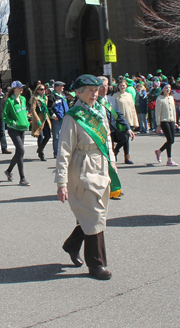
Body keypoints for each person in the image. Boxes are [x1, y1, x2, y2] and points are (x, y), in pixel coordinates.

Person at [55, 75, 119, 281]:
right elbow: (64, 151)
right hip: (82, 168)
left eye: (96, 89)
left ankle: (71, 245)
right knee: (95, 214)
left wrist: (112, 161)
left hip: (100, 165)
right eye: (89, 90)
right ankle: (96, 264)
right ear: (78, 93)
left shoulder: (100, 110)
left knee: (94, 212)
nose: (94, 93)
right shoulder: (73, 116)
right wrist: (61, 182)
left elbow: (107, 137)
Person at [3, 81, 30, 186]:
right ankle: (22, 178)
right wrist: (14, 123)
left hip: (22, 128)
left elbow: (23, 113)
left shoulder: (23, 99)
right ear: (14, 89)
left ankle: (8, 171)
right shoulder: (9, 101)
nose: (21, 89)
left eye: (22, 87)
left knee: (19, 152)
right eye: (19, 87)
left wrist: (27, 119)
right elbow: (5, 117)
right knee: (21, 150)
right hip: (13, 129)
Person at [113, 79, 138, 164]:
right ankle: (115, 151)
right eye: (120, 85)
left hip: (128, 119)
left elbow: (132, 108)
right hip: (119, 120)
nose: (122, 87)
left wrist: (135, 121)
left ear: (126, 86)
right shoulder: (115, 96)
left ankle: (127, 157)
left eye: (123, 85)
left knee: (127, 139)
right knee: (124, 139)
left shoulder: (129, 95)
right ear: (118, 86)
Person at [155, 84, 178, 166]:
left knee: (172, 141)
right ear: (163, 89)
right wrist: (158, 124)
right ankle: (162, 154)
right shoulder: (160, 99)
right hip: (164, 121)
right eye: (166, 88)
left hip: (171, 120)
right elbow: (158, 112)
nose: (168, 89)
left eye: (169, 88)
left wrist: (175, 121)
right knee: (170, 139)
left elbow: (174, 110)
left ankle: (168, 159)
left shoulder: (171, 98)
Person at [30, 84, 52, 161]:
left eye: (44, 89)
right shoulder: (35, 98)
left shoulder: (45, 98)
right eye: (41, 89)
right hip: (39, 119)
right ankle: (41, 153)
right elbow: (33, 110)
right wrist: (37, 119)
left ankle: (40, 148)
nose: (43, 91)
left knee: (48, 136)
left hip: (45, 119)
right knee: (40, 136)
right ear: (38, 90)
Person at [48, 81, 70, 158]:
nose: (63, 87)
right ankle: (56, 152)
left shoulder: (63, 95)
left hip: (65, 118)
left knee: (64, 136)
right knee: (56, 136)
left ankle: (63, 151)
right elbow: (49, 108)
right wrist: (53, 116)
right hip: (57, 119)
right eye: (61, 86)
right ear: (57, 87)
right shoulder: (52, 96)